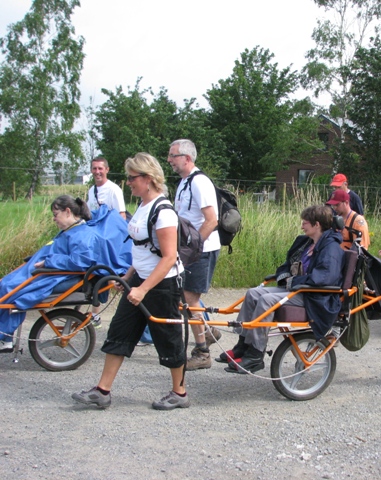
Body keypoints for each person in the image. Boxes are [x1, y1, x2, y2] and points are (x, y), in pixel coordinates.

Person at [72, 153, 188, 410]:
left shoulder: (163, 211)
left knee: (167, 337)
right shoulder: (144, 207)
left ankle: (179, 393)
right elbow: (144, 248)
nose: (128, 183)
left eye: (132, 178)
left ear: (148, 179)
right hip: (140, 280)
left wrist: (144, 289)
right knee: (119, 332)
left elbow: (169, 258)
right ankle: (102, 391)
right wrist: (127, 277)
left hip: (162, 284)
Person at [222, 205, 344, 374]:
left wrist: (295, 281)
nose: (302, 226)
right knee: (253, 293)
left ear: (317, 225)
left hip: (314, 296)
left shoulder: (331, 248)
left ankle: (256, 354)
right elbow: (288, 266)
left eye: (305, 222)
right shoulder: (306, 243)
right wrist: (285, 277)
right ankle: (243, 346)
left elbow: (324, 278)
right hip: (300, 289)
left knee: (266, 300)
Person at [0, 196, 131, 352]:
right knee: (5, 285)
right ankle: (5, 337)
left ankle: (4, 337)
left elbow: (80, 262)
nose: (54, 219)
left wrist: (49, 261)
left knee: (9, 289)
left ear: (68, 212)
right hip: (45, 272)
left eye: (56, 214)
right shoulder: (70, 230)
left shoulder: (83, 234)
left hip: (56, 275)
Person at [167, 139, 221, 370]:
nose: (169, 160)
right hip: (191, 251)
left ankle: (202, 353)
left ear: (187, 158)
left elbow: (212, 220)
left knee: (190, 300)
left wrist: (192, 248)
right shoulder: (184, 183)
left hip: (202, 251)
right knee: (185, 297)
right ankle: (208, 332)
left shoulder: (200, 183)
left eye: (173, 156)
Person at [86, 156, 128, 328]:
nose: (97, 172)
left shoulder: (114, 190)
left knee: (112, 277)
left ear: (107, 170)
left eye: (100, 168)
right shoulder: (92, 191)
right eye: (94, 168)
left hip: (109, 239)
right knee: (95, 274)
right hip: (98, 238)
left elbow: (121, 217)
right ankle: (95, 313)